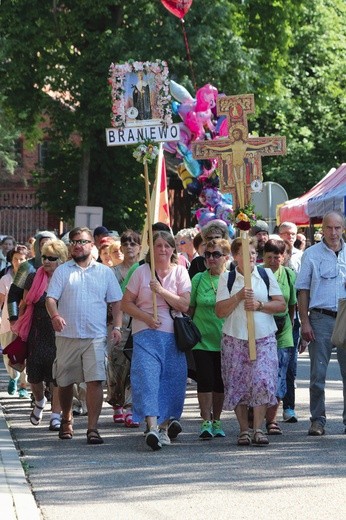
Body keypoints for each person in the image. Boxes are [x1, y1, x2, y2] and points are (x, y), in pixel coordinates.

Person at [46, 227, 123, 445]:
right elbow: (50, 298)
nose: (77, 245)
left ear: (92, 245)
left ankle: (93, 428)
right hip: (67, 335)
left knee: (95, 379)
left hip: (95, 336)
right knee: (65, 381)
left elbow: (116, 302)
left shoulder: (104, 272)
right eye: (74, 242)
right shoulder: (62, 271)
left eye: (82, 241)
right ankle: (67, 419)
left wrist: (117, 327)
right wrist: (55, 315)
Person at [121, 231, 191, 451]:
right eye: (158, 245)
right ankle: (151, 426)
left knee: (172, 380)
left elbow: (184, 305)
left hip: (173, 336)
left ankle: (165, 425)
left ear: (173, 250)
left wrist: (160, 291)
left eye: (167, 246)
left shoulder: (180, 272)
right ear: (152, 249)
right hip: (145, 334)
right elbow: (126, 304)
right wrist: (145, 318)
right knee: (147, 378)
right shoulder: (141, 272)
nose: (162, 250)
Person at [215, 237, 285, 446]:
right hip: (235, 338)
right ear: (236, 257)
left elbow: (280, 304)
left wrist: (260, 305)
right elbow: (219, 311)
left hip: (263, 337)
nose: (252, 257)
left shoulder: (265, 274)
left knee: (262, 380)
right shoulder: (226, 278)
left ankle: (258, 429)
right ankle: (244, 430)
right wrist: (237, 297)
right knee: (238, 383)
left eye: (254, 253)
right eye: (246, 253)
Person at [296, 211, 346, 436]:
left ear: (343, 228)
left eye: (337, 228)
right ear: (322, 229)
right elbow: (303, 289)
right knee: (318, 375)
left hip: (344, 316)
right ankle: (317, 420)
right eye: (329, 228)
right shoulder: (311, 254)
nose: (333, 233)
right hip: (320, 318)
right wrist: (304, 321)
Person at [13, 240, 68, 431]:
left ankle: (55, 415)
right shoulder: (32, 277)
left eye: (51, 258)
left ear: (61, 260)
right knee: (34, 375)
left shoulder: (67, 279)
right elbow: (25, 304)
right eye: (44, 257)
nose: (46, 261)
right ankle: (39, 400)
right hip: (36, 331)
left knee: (57, 376)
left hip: (59, 333)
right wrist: (19, 329)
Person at [189, 238, 230, 439]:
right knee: (205, 379)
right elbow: (190, 308)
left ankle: (217, 420)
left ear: (226, 257)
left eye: (216, 254)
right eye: (208, 254)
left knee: (220, 382)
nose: (211, 258)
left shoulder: (232, 279)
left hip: (225, 339)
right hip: (202, 339)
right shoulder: (198, 279)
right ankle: (206, 420)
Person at [262, 239, 297, 434]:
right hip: (260, 329)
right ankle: (256, 411)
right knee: (261, 374)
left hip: (283, 330)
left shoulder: (289, 275)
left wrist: (291, 325)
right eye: (270, 257)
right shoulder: (257, 273)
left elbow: (292, 303)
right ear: (263, 257)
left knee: (279, 375)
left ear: (283, 257)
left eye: (277, 257)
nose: (274, 261)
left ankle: (272, 419)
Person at [107, 230, 141, 427]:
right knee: (117, 365)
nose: (129, 246)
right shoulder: (113, 272)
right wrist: (116, 326)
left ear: (139, 247)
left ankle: (130, 406)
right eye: (126, 243)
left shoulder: (143, 270)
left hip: (138, 323)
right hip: (117, 324)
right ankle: (117, 402)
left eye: (133, 243)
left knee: (135, 366)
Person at [0, 245, 29, 397]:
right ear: (11, 260)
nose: (18, 262)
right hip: (7, 322)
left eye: (22, 259)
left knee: (24, 352)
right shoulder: (5, 279)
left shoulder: (30, 277)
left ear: (27, 260)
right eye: (15, 259)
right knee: (8, 352)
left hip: (25, 322)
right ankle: (13, 377)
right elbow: (1, 302)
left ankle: (23, 385)